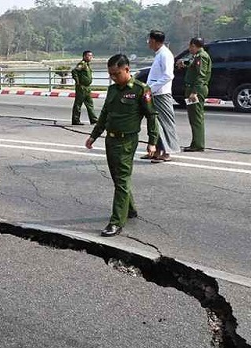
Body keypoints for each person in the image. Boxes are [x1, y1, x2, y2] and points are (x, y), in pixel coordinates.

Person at [85, 54, 159, 237]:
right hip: (110, 140)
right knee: (118, 178)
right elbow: (105, 114)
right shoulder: (112, 90)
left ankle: (116, 221)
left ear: (127, 69)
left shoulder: (140, 89)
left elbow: (151, 116)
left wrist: (152, 142)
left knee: (122, 179)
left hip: (127, 141)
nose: (113, 77)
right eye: (110, 74)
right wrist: (94, 136)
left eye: (116, 73)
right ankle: (130, 209)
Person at [144, 30, 180, 163]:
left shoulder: (165, 54)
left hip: (161, 94)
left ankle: (167, 152)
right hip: (154, 94)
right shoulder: (159, 54)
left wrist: (152, 88)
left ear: (154, 41)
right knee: (155, 123)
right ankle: (157, 151)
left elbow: (168, 75)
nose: (148, 43)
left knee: (165, 123)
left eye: (149, 40)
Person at [179, 37, 212, 152]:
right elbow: (193, 67)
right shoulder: (197, 56)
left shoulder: (201, 56)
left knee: (196, 117)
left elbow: (201, 75)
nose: (189, 49)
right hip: (192, 88)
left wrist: (194, 92)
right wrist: (184, 64)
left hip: (196, 90)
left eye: (190, 46)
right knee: (193, 117)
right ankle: (195, 142)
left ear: (194, 45)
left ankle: (198, 144)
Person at [71, 50, 98, 125]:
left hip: (87, 87)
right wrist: (77, 81)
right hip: (82, 87)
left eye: (91, 56)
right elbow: (74, 71)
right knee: (78, 104)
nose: (90, 57)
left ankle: (93, 119)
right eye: (89, 55)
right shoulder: (82, 64)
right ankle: (76, 120)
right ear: (84, 56)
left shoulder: (87, 65)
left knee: (90, 103)